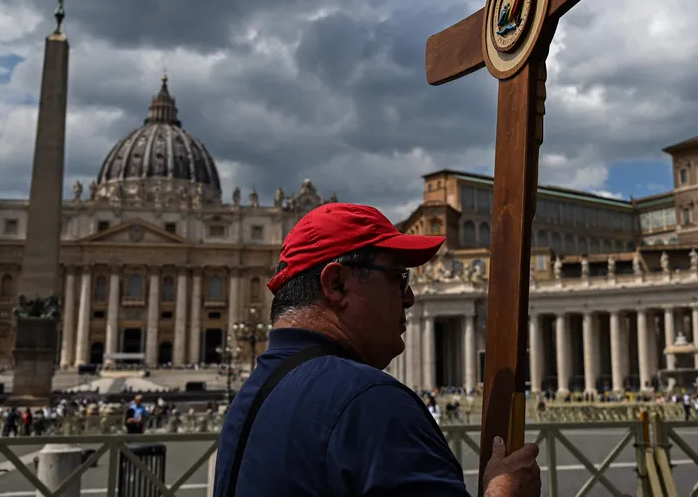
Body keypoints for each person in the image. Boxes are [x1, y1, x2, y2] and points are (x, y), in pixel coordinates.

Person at [213, 203, 540, 496]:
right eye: (398, 277)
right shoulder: (368, 401)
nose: (409, 297)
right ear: (337, 285)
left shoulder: (247, 401)